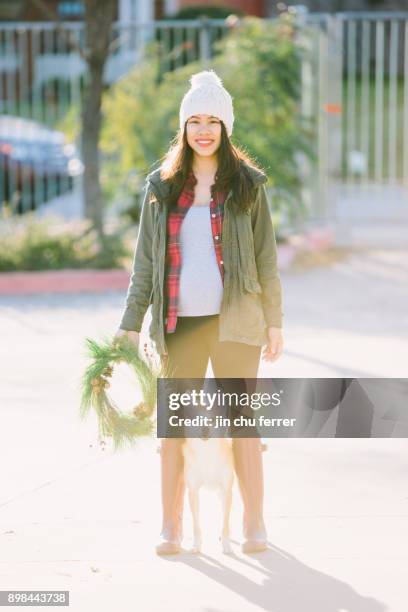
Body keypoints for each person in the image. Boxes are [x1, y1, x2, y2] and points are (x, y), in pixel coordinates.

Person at [114, 69, 284, 555]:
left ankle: (254, 523)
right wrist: (130, 323)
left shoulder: (248, 186)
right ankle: (171, 526)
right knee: (174, 425)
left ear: (226, 128)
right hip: (179, 325)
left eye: (213, 120)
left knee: (242, 424)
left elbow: (267, 258)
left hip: (238, 324)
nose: (204, 130)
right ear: (184, 127)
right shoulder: (162, 187)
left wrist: (275, 322)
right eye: (195, 120)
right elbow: (145, 263)